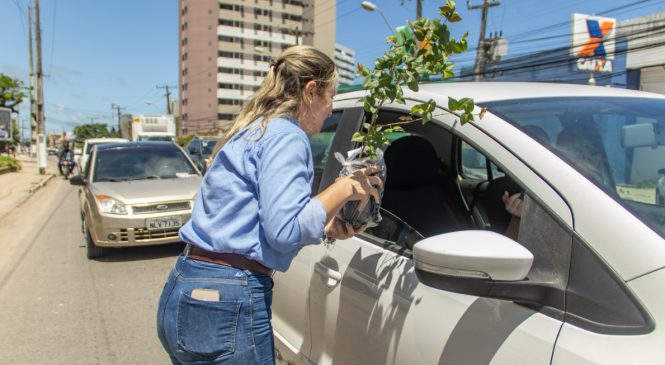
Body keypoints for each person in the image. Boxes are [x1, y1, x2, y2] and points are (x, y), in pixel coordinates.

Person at [156, 45, 383, 365]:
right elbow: (284, 232)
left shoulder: (253, 130)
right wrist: (344, 187)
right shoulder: (286, 136)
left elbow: (253, 216)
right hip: (227, 299)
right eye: (330, 96)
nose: (331, 108)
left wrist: (326, 226)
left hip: (187, 287)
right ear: (310, 91)